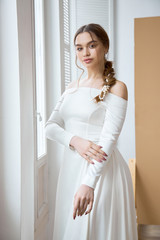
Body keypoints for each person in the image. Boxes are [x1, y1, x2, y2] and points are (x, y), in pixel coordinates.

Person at [45, 23, 138, 240]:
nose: (84, 53)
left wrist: (89, 183)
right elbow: (50, 127)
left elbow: (109, 138)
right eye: (79, 48)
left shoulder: (117, 88)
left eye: (91, 45)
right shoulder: (71, 88)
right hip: (70, 170)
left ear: (105, 47)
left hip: (102, 172)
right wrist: (76, 141)